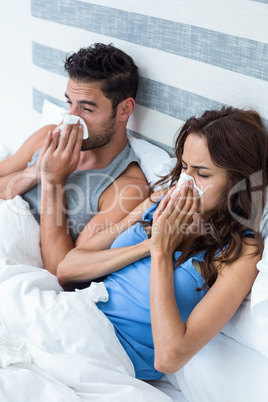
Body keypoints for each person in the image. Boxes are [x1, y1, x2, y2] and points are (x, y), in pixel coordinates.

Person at [56, 107, 268, 380]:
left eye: (202, 174)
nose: (185, 182)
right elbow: (67, 269)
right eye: (184, 167)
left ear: (238, 183)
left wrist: (161, 252)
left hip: (106, 356)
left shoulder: (241, 253)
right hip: (74, 316)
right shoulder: (159, 203)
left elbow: (170, 357)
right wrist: (151, 243)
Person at [0, 43, 148, 275]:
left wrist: (53, 182)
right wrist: (33, 173)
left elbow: (65, 270)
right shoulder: (49, 136)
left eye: (87, 109)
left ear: (124, 110)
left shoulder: (125, 189)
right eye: (70, 103)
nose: (71, 119)